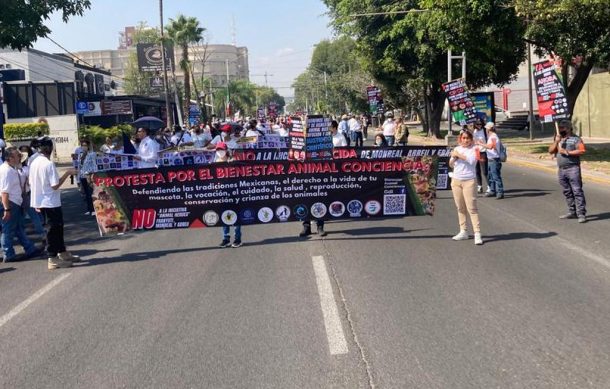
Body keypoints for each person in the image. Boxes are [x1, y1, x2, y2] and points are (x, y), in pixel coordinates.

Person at [29, 137, 80, 269]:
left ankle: (62, 252)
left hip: (43, 201)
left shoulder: (34, 162)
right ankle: (52, 257)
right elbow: (55, 185)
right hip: (49, 201)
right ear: (49, 148)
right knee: (53, 230)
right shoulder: (48, 163)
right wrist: (68, 173)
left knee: (58, 227)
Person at [0, 147, 41, 262]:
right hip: (10, 203)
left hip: (14, 202)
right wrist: (7, 209)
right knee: (8, 229)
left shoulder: (11, 169)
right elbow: (4, 192)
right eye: (18, 155)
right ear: (10, 158)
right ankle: (8, 254)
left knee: (18, 228)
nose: (20, 157)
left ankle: (29, 248)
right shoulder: (6, 171)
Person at [548, 119, 587, 223]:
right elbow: (550, 151)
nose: (560, 129)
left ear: (569, 128)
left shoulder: (576, 139)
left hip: (573, 168)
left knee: (577, 191)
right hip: (561, 170)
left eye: (563, 127)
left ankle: (581, 213)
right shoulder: (558, 139)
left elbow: (582, 150)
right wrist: (556, 141)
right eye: (559, 127)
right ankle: (572, 211)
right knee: (567, 191)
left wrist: (567, 152)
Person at [449, 131, 483, 245]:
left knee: (472, 208)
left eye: (468, 138)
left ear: (471, 139)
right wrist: (454, 157)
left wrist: (458, 155)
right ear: (460, 139)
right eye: (463, 138)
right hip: (456, 180)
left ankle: (477, 233)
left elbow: (472, 161)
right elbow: (451, 164)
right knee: (460, 207)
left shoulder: (475, 149)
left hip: (469, 181)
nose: (465, 140)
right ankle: (463, 231)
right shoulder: (457, 148)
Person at [216, 142, 242, 248]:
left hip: (234, 193)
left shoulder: (233, 161)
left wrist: (233, 163)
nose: (219, 152)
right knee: (224, 217)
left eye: (221, 150)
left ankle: (237, 239)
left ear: (226, 150)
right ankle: (226, 238)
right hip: (222, 193)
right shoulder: (215, 162)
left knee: (236, 217)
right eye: (218, 150)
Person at [18, 145, 46, 243]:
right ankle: (42, 234)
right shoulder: (26, 169)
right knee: (33, 215)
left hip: (18, 196)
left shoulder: (16, 170)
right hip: (26, 194)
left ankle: (24, 238)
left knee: (21, 218)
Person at [483, 122, 505, 199]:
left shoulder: (493, 137)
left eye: (486, 128)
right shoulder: (491, 136)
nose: (485, 129)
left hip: (494, 160)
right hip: (491, 159)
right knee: (490, 176)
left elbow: (490, 146)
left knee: (496, 176)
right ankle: (492, 190)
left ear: (489, 129)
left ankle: (500, 192)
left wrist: (481, 144)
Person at [77, 140, 95, 216]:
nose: (84, 147)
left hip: (89, 176)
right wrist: (78, 177)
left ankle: (94, 209)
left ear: (88, 146)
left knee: (91, 193)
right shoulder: (80, 155)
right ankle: (89, 209)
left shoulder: (92, 154)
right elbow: (79, 166)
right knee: (86, 194)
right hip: (82, 176)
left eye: (85, 145)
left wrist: (92, 174)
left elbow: (94, 165)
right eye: (82, 145)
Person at [472, 120, 489, 193]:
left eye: (480, 124)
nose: (479, 125)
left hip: (483, 152)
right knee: (477, 170)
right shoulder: (473, 131)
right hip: (476, 152)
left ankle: (489, 186)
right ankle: (479, 186)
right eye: (477, 124)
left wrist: (481, 143)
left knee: (484, 171)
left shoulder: (485, 131)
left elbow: (488, 141)